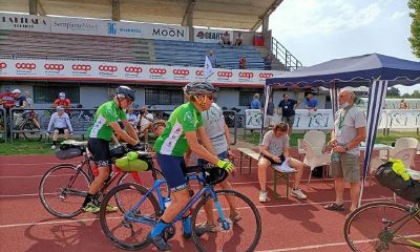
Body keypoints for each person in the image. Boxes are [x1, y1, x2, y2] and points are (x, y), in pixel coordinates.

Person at [148, 81, 234, 251]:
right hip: (167, 155)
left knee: (185, 193)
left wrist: (218, 160)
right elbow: (195, 146)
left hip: (176, 155)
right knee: (182, 199)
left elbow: (205, 139)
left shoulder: (197, 112)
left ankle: (187, 230)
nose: (212, 100)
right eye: (209, 97)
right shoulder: (186, 112)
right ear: (199, 97)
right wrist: (218, 162)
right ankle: (155, 233)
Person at [82, 86, 140, 213]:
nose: (129, 104)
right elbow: (119, 130)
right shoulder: (108, 108)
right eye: (128, 101)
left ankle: (100, 201)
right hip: (96, 141)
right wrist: (134, 143)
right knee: (103, 174)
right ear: (120, 97)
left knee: (108, 173)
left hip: (103, 142)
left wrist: (138, 141)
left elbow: (128, 126)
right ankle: (87, 204)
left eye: (131, 102)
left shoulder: (119, 109)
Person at [324, 87, 366, 213]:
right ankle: (339, 202)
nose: (338, 99)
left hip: (350, 152)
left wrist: (346, 147)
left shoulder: (358, 112)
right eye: (339, 97)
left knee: (353, 181)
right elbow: (334, 130)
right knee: (338, 177)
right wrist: (332, 139)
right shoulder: (339, 112)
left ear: (350, 98)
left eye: (341, 97)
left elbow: (362, 135)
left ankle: (354, 207)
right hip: (336, 151)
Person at [258, 122, 307, 202]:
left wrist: (286, 159)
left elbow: (285, 150)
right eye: (279, 133)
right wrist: (272, 156)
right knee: (261, 165)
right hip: (268, 156)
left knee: (300, 165)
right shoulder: (269, 134)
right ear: (275, 130)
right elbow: (263, 150)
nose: (280, 135)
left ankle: (295, 189)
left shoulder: (285, 136)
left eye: (283, 133)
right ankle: (263, 191)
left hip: (280, 156)